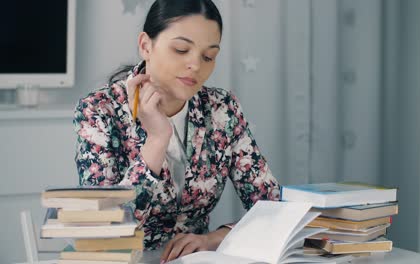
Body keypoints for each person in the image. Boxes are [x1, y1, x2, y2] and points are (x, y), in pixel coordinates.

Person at [73, 0, 280, 262]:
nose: (196, 65)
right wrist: (157, 140)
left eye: (208, 56)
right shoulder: (99, 110)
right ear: (146, 46)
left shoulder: (221, 109)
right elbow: (103, 228)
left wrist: (213, 239)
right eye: (181, 50)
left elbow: (272, 207)